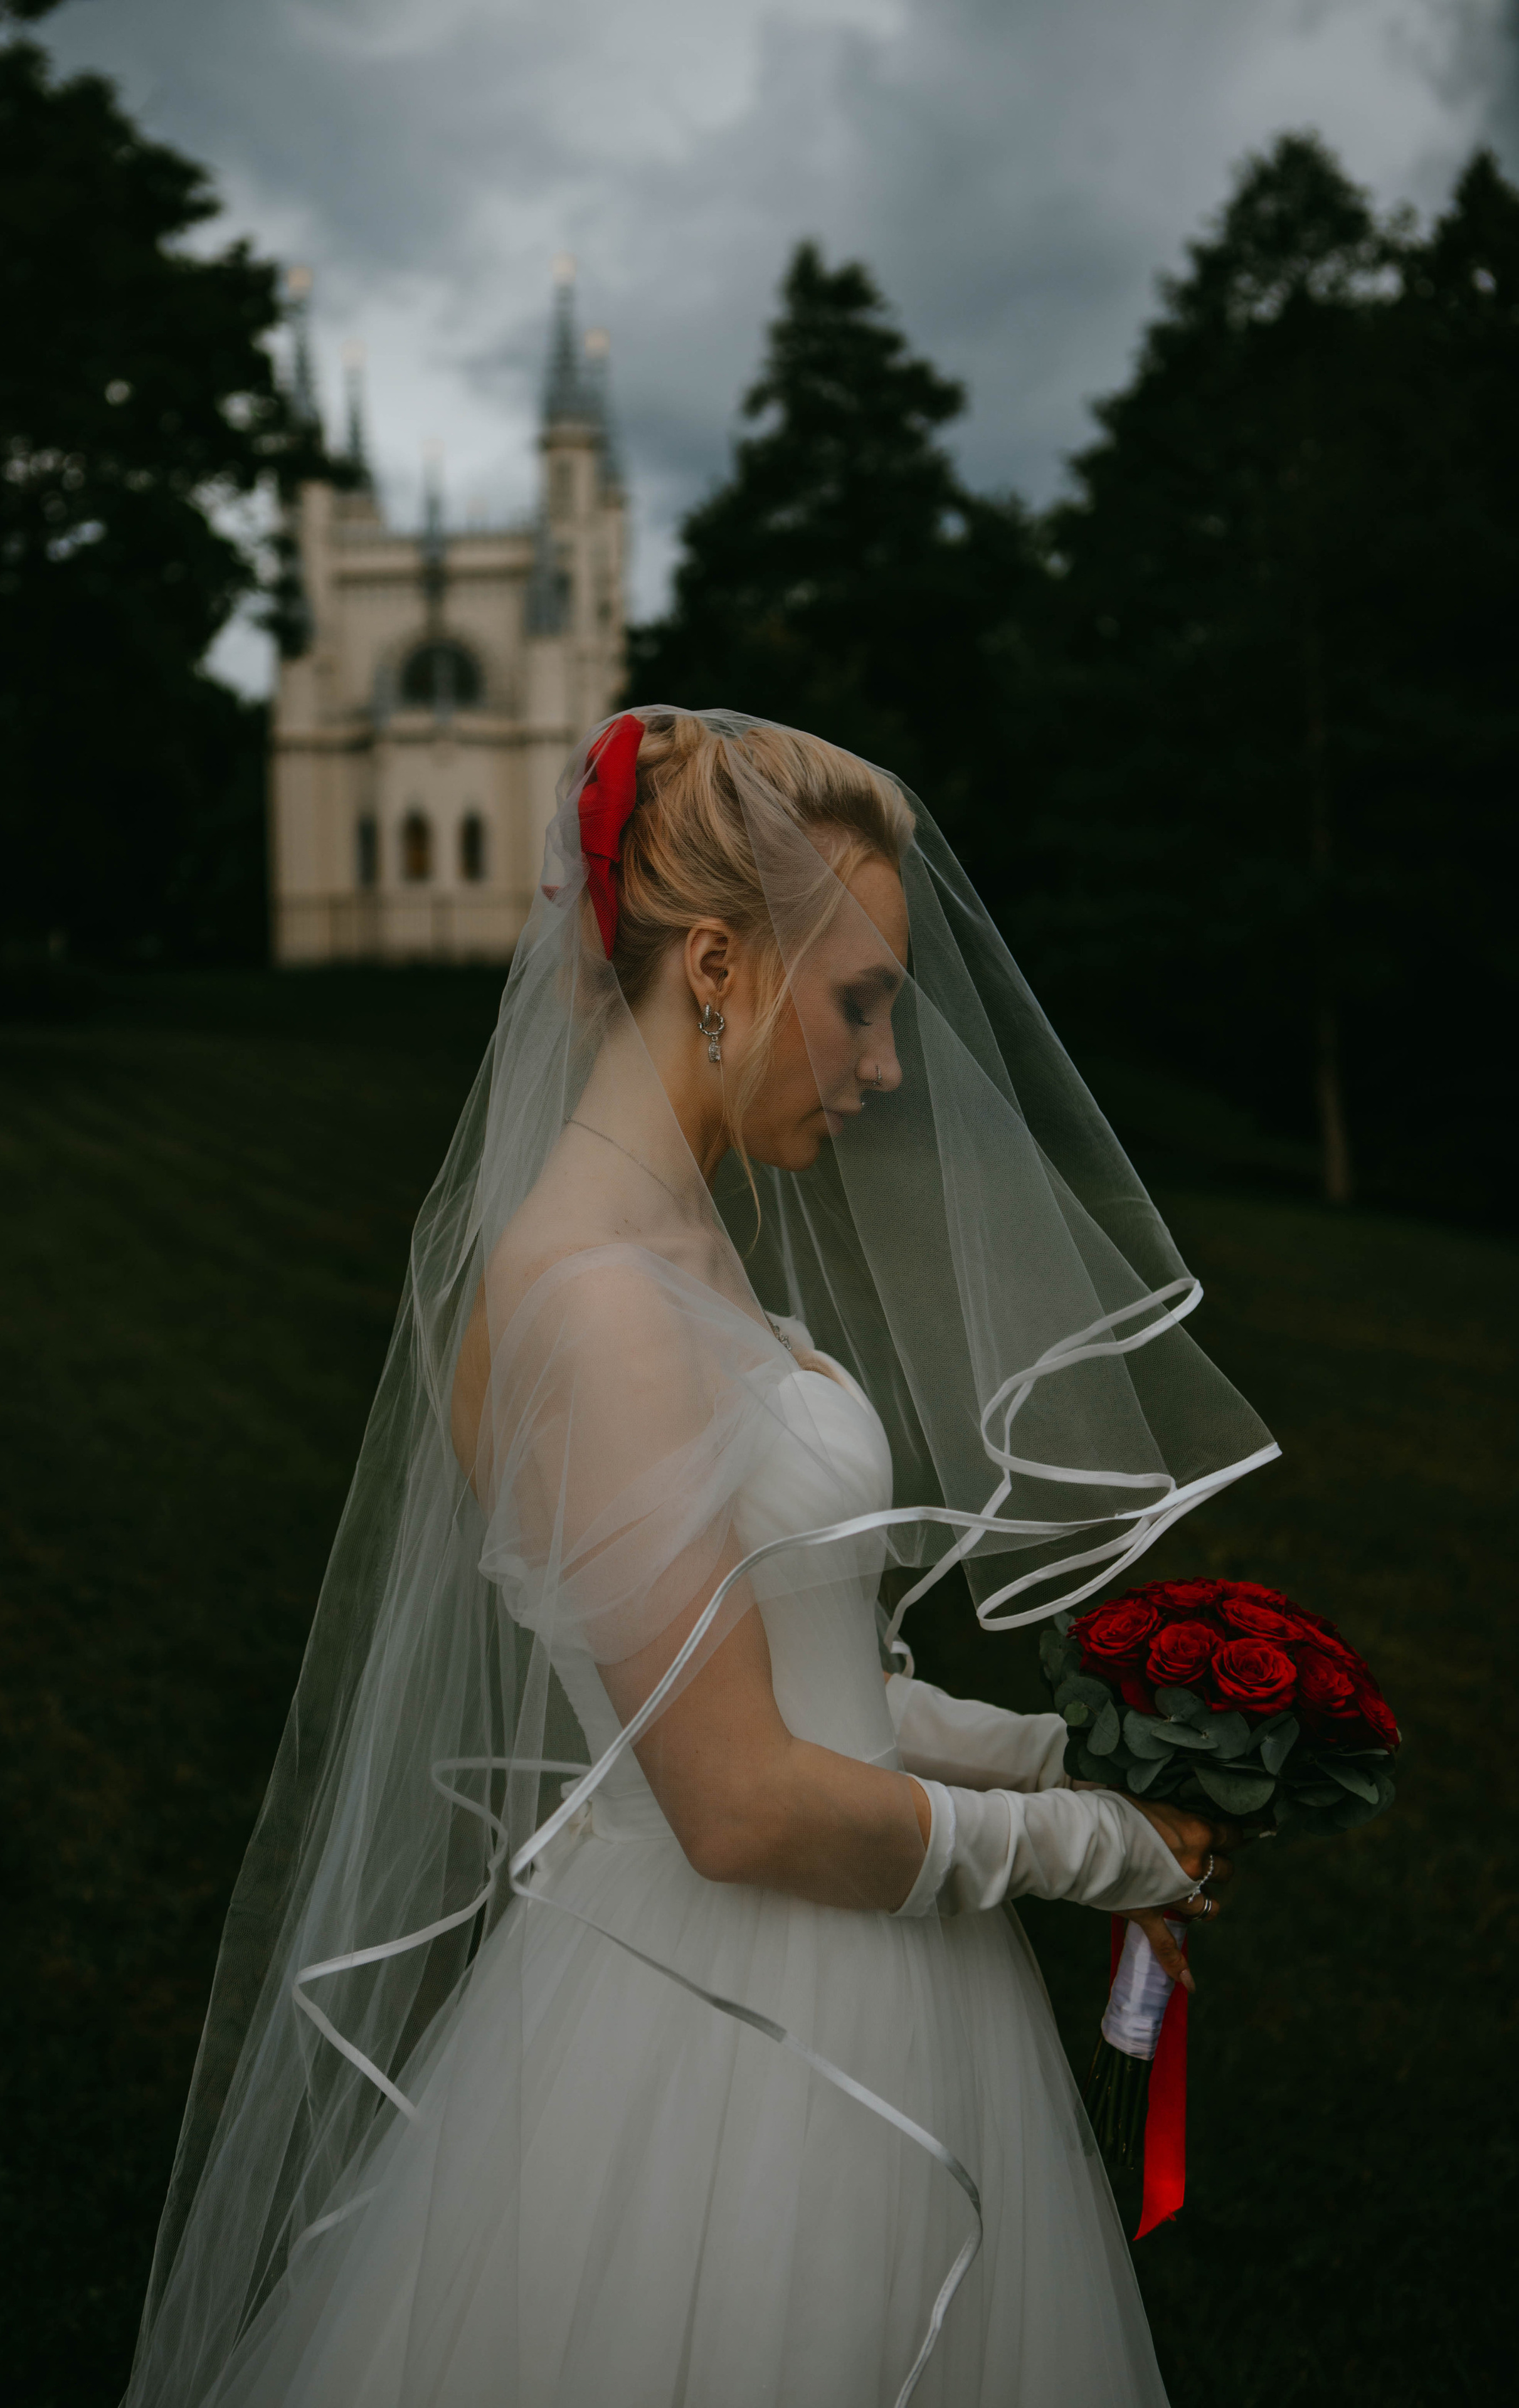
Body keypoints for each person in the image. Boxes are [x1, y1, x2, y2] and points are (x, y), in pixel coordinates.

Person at [125, 710, 1276, 2408]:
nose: (885, 1063)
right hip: (735, 2017)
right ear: (719, 965)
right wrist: (1092, 1845)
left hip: (873, 1942)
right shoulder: (594, 1298)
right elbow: (735, 1795)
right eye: (863, 1001)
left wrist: (1075, 1751)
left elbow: (808, 1673)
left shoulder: (683, 1243)